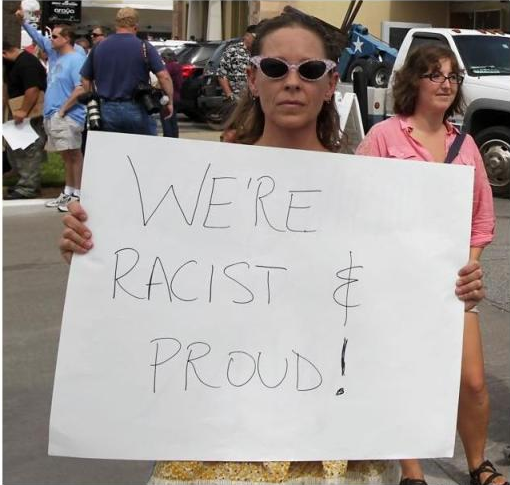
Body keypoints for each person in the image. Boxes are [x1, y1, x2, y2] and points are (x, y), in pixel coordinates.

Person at [58, 12, 486, 485]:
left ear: (331, 84)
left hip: (333, 441)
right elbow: (149, 281)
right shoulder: (196, 186)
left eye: (311, 70)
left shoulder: (371, 189)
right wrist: (92, 246)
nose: (293, 82)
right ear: (253, 78)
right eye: (277, 68)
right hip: (217, 439)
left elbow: (392, 298)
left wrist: (451, 285)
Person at [355, 44, 505, 485]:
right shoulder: (383, 137)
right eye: (434, 75)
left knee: (472, 381)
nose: (445, 84)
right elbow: (359, 204)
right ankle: (412, 470)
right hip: (395, 283)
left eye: (452, 77)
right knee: (403, 373)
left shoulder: (467, 145)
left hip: (451, 285)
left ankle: (478, 464)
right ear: (413, 82)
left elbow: (482, 218)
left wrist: (470, 265)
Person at [16, 9, 87, 212]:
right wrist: (24, 22)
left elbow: (81, 87)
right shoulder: (57, 56)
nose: (50, 39)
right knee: (66, 156)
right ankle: (68, 192)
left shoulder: (76, 59)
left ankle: (77, 194)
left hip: (67, 115)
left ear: (66, 39)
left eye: (55, 36)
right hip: (54, 115)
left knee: (74, 155)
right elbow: (38, 38)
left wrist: (63, 110)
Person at [80, 7, 173, 136]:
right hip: (137, 107)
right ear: (135, 27)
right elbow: (164, 77)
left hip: (107, 109)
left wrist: (92, 100)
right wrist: (169, 101)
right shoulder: (144, 47)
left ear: (116, 25)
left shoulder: (99, 47)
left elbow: (85, 78)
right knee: (143, 147)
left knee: (111, 147)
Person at [2, 39, 47, 199]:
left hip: (30, 114)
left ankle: (29, 187)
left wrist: (23, 110)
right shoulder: (11, 63)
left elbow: (32, 89)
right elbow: (8, 85)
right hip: (17, 112)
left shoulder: (27, 63)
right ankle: (23, 182)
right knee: (17, 150)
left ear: (4, 53)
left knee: (29, 150)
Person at [216, 24, 258, 124]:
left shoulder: (258, 52)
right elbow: (222, 73)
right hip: (235, 100)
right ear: (247, 36)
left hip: (253, 101)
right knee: (233, 128)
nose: (256, 40)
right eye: (255, 37)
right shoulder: (233, 50)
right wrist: (229, 95)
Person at [159, 49, 182, 137]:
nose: (163, 60)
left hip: (167, 97)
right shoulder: (178, 66)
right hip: (177, 95)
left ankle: (168, 139)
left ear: (166, 58)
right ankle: (175, 138)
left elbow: (164, 79)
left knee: (166, 119)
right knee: (173, 120)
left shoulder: (168, 67)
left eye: (163, 58)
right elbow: (179, 83)